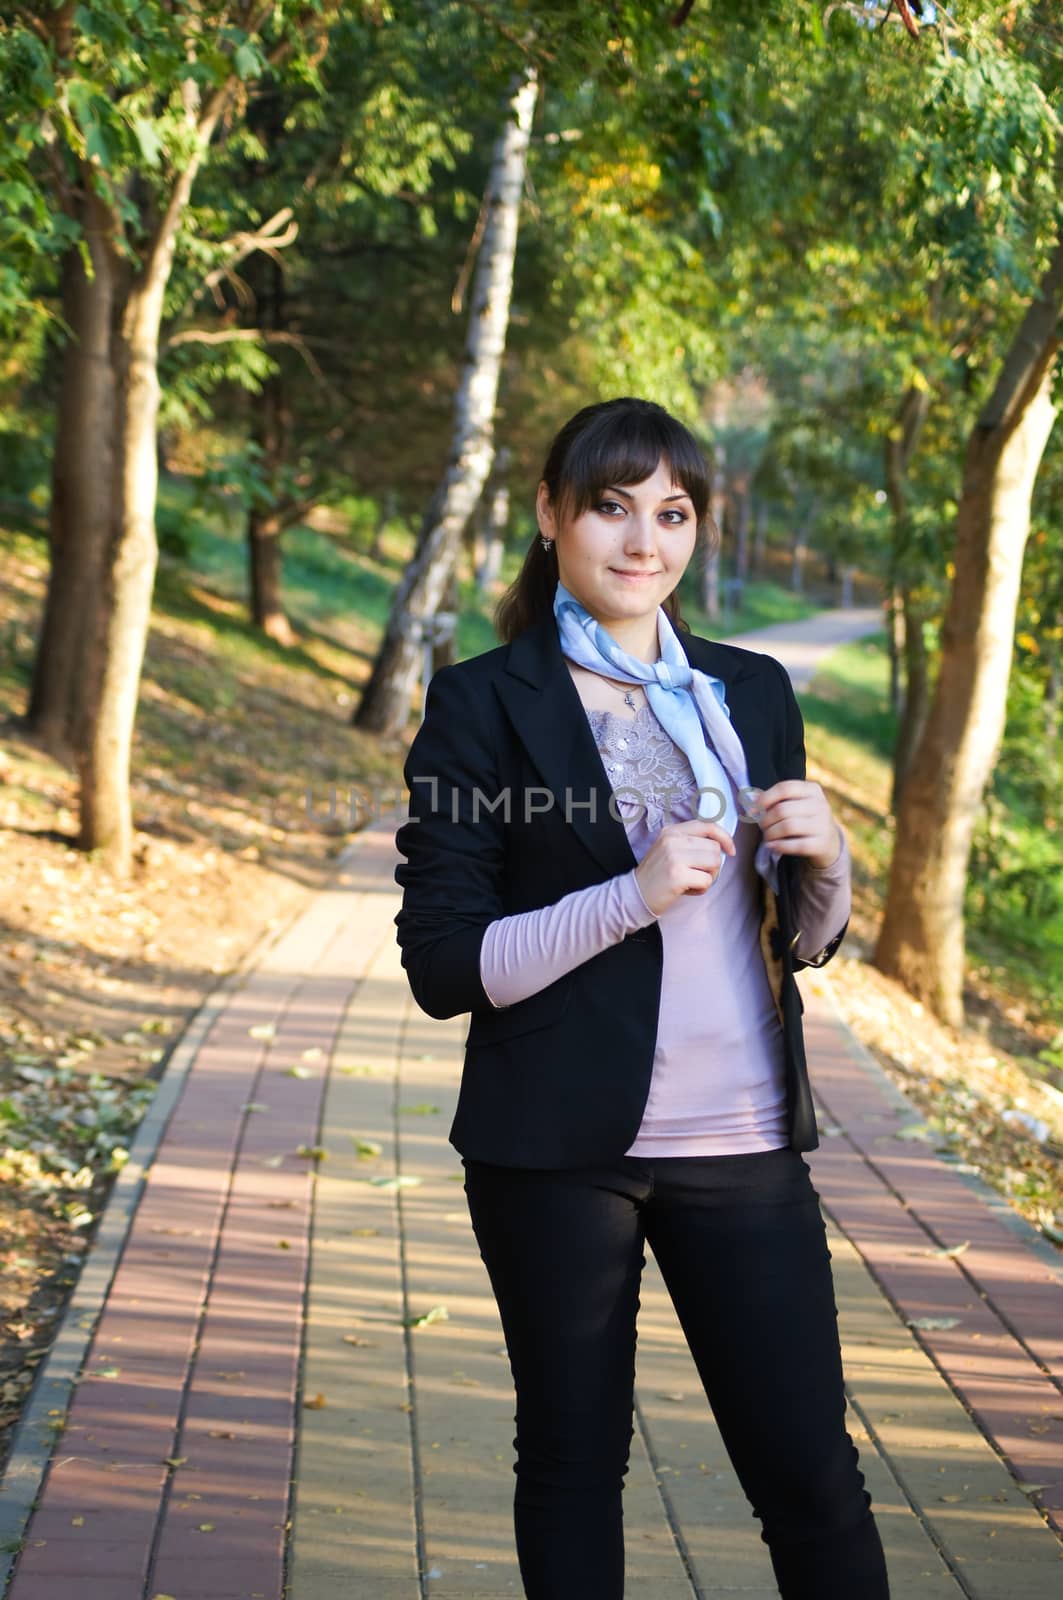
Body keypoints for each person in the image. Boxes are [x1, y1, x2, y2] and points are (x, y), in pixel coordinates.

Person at [393, 397, 890, 1599]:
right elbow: (444, 968)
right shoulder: (482, 702)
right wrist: (628, 893)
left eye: (670, 514)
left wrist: (830, 865)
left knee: (812, 1478)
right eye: (610, 507)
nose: (640, 542)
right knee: (570, 1464)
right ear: (553, 517)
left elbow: (800, 944)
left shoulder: (750, 690)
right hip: (555, 1150)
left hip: (746, 1143)